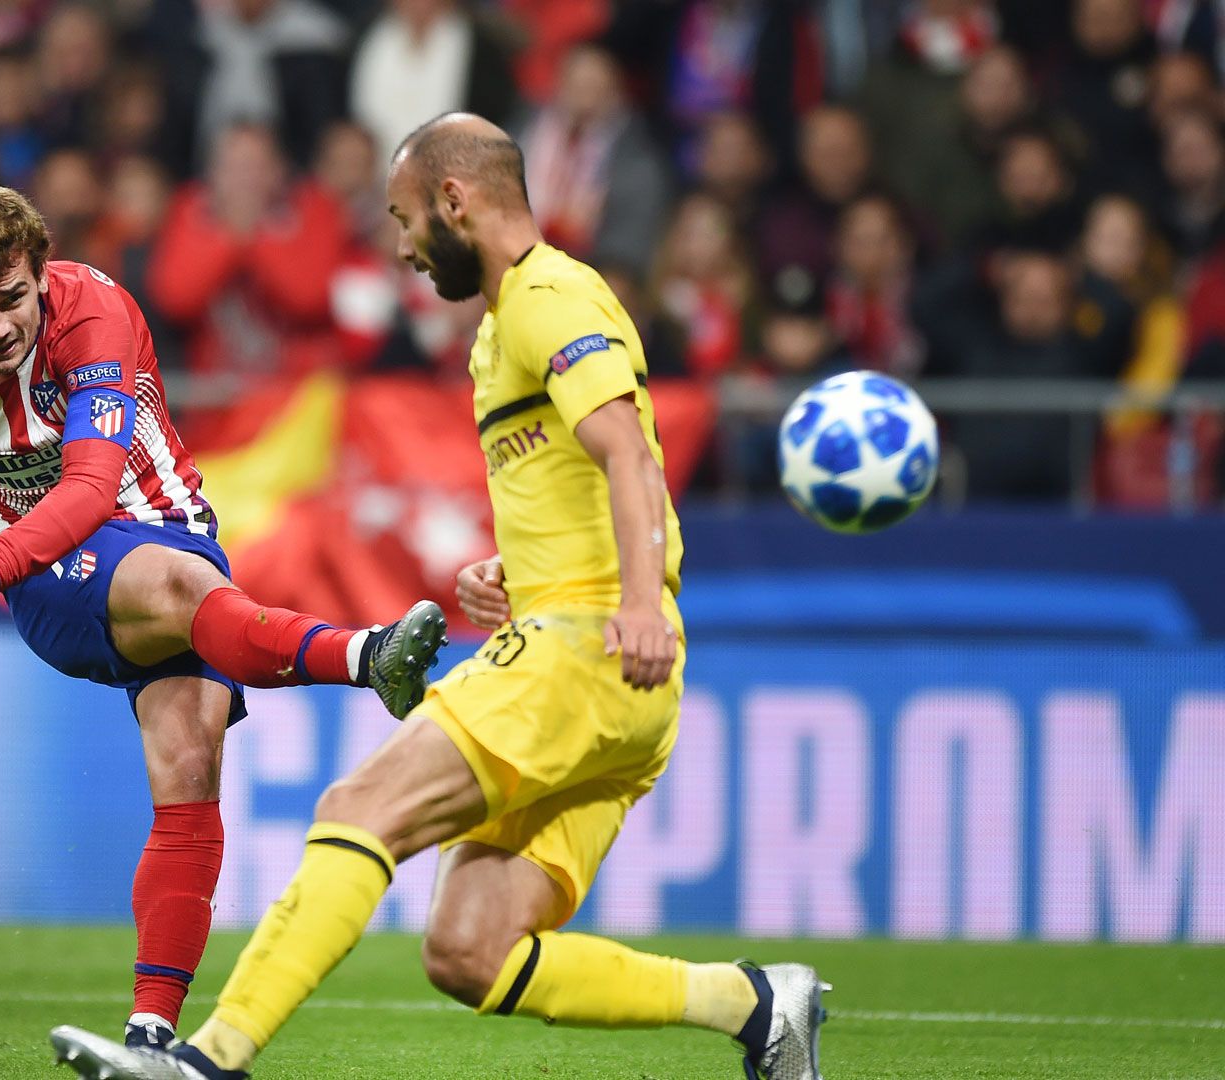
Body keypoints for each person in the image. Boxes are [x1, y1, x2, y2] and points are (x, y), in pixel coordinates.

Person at [46, 113, 831, 1080]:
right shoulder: (511, 323)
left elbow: (628, 453)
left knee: (359, 804)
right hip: (612, 673)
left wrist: (629, 602)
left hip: (589, 646)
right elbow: (594, 474)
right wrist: (518, 574)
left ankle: (207, 1061)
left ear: (455, 201)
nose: (405, 247)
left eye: (407, 218)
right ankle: (759, 1005)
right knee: (469, 952)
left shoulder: (550, 293)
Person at [0, 182, 450, 1049]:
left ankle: (148, 1036)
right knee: (187, 599)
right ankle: (367, 656)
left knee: (188, 768)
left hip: (157, 539)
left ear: (40, 272)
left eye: (11, 300)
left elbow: (94, 486)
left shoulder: (95, 312)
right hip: (52, 578)